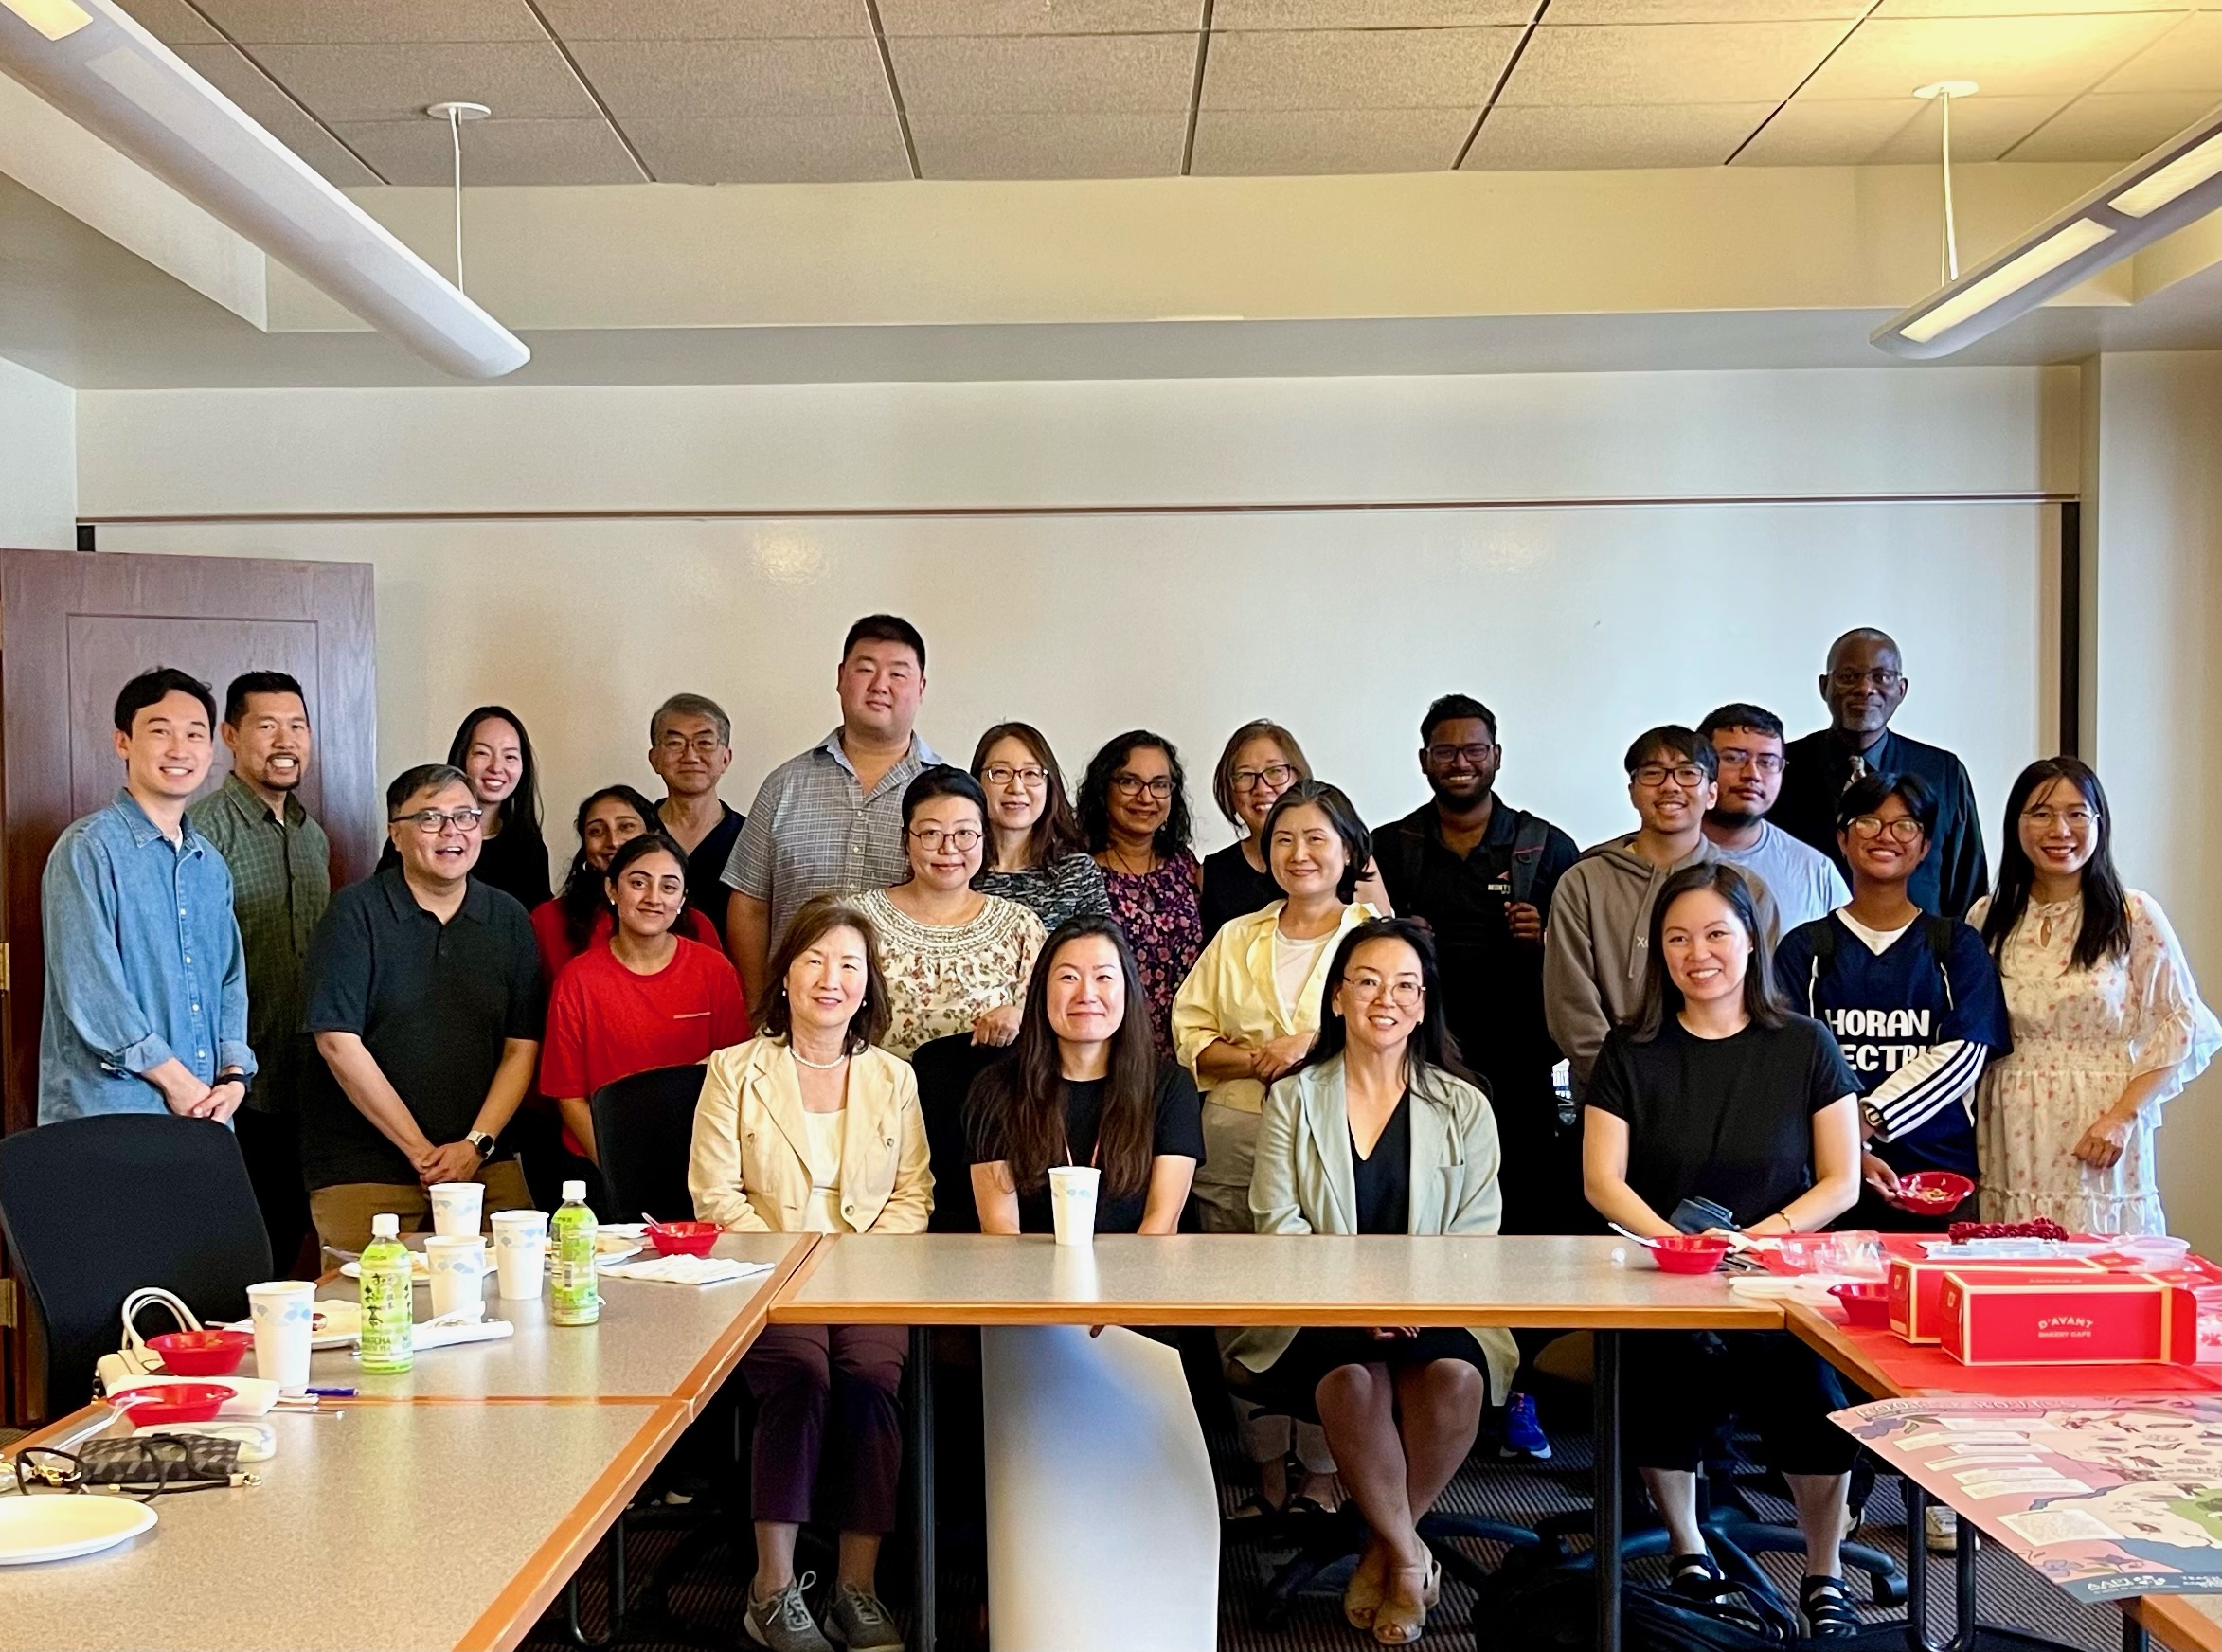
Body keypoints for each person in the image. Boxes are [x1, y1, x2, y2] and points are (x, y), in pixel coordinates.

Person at [1581, 864, 1865, 1638]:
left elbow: (1839, 1181)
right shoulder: (1631, 1048)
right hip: (1664, 1273)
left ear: (1750, 941)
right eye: (1677, 937)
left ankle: (1824, 1566)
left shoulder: (1804, 1043)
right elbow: (1603, 1181)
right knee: (1657, 1382)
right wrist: (1679, 1247)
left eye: (1714, 933)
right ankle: (1687, 1545)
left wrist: (1758, 1239)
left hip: (1774, 1276)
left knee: (1813, 1399)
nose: (1695, 953)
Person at [1236, 917, 1519, 1647]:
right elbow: (1279, 1226)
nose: (1384, 999)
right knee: (1354, 1383)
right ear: (1337, 999)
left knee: (1455, 1376)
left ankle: (1383, 1548)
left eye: (1404, 986)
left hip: (1441, 1303)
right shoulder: (1294, 1100)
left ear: (1424, 1005)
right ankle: (1408, 1554)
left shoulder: (1465, 1105)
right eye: (1366, 982)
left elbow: (1474, 1236)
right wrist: (1359, 1305)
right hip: (1317, 1305)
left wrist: (1411, 1303)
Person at [689, 895, 929, 1652]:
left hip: (868, 1273)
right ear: (785, 974)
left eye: (849, 965)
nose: (832, 979)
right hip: (766, 1273)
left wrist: (850, 1262)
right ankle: (773, 1590)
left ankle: (856, 1588)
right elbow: (715, 1196)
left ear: (867, 985)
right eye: (815, 960)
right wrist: (795, 1259)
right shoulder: (734, 1070)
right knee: (802, 1377)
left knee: (867, 1378)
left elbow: (914, 1192)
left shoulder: (894, 1077)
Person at [1172, 779, 1379, 1518]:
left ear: (1349, 849)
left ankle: (1323, 1469)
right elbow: (1188, 1034)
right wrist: (1258, 1058)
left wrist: (1313, 1044)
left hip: (1338, 1140)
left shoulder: (1373, 937)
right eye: (1284, 839)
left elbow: (1400, 1034)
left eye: (1317, 838)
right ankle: (1264, 1466)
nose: (1299, 853)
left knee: (1323, 1296)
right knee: (1240, 1299)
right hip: (1235, 1133)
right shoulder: (1237, 936)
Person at [1972, 758, 2219, 1236]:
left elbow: (2183, 1022)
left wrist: (2123, 1116)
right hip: (2011, 1123)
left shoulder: (2134, 914)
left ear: (2099, 823)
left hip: (2099, 1119)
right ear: (2016, 825)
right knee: (2016, 1267)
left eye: (2077, 813)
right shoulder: (1988, 916)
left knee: (2102, 1264)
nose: (2059, 829)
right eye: (2040, 813)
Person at [301, 763, 540, 1253]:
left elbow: (522, 1047)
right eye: (430, 818)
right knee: (373, 1312)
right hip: (366, 1167)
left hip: (484, 1163)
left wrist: (475, 1146)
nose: (451, 832)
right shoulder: (356, 913)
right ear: (396, 834)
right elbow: (338, 1043)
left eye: (466, 817)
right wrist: (422, 1154)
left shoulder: (509, 918)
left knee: (517, 1302)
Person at [1373, 693, 1581, 1237]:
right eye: (1445, 752)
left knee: (1526, 1201)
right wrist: (1399, 940)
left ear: (1497, 755)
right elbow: (1357, 949)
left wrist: (1546, 938)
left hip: (1521, 1064)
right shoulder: (1391, 848)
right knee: (1422, 1194)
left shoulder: (1546, 847)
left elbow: (1582, 958)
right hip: (1417, 1057)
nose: (1460, 763)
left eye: (1474, 750)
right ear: (1424, 760)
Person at [1774, 773, 2012, 1233]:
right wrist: (1852, 1154)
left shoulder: (1956, 944)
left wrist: (1865, 1122)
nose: (1886, 836)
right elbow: (1787, 1064)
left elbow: (1965, 1054)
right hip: (1825, 1182)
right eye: (1868, 822)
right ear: (1842, 839)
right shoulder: (1806, 947)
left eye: (1905, 825)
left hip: (1940, 1178)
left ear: (1924, 847)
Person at [39, 668, 253, 1126]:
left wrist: (233, 1077)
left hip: (205, 1113)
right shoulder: (87, 848)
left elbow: (230, 980)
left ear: (211, 749)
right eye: (160, 732)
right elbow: (91, 990)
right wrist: (177, 1083)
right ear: (123, 743)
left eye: (195, 734)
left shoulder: (209, 864)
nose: (180, 749)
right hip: (111, 1113)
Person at [1544, 726, 1777, 1099]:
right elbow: (1570, 1006)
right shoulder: (1583, 882)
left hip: (1723, 1092)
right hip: (1611, 1095)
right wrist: (1625, 1086)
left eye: (1688, 773)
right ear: (1633, 791)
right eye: (1652, 773)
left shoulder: (1747, 889)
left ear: (1712, 792)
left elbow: (1762, 995)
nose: (1670, 786)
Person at [188, 671, 331, 1272]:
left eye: (296, 726)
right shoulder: (202, 831)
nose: (285, 740)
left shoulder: (312, 835)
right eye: (267, 725)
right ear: (230, 735)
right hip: (235, 1086)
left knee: (298, 1247)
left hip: (314, 1084)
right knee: (237, 1256)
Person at [724, 615, 939, 1014]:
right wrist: (758, 1004)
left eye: (898, 673)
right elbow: (750, 904)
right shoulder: (784, 785)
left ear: (921, 688)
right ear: (841, 678)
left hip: (909, 1019)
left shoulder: (948, 797)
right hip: (793, 1018)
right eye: (866, 669)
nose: (880, 685)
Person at [968, 915, 1204, 1235]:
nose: (1086, 994)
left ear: (1127, 990)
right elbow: (999, 1227)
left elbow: (1161, 1224)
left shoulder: (1170, 1088)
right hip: (1026, 1277)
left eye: (1103, 977)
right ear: (1041, 992)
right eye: (1068, 977)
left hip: (1138, 1275)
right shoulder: (996, 1088)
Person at [541, 833, 748, 1171]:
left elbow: (735, 1073)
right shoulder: (577, 979)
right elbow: (568, 1095)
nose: (653, 898)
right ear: (611, 890)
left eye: (668, 887)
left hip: (700, 1163)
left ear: (682, 899)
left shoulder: (714, 971)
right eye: (639, 882)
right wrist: (617, 1170)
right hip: (600, 1165)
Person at [1773, 629, 1988, 918]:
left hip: (1919, 955)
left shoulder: (1942, 773)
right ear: (1825, 686)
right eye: (1849, 676)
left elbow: (1967, 888)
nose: (1865, 688)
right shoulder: (1781, 769)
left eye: (1881, 677)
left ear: (1901, 689)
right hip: (1805, 952)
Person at [854, 766, 1046, 1061]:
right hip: (877, 1098)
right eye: (931, 833)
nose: (949, 848)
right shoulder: (857, 920)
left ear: (984, 838)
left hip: (983, 1102)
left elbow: (1049, 1030)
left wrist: (1019, 1018)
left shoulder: (1020, 927)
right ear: (906, 840)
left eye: (964, 833)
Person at [1079, 730, 1204, 1056]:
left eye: (1160, 784)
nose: (1146, 797)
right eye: (1130, 782)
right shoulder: (1078, 873)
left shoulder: (1187, 866)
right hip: (1108, 1052)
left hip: (1187, 1052)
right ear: (1103, 788)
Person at [530, 783, 725, 985]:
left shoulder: (695, 924)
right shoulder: (548, 920)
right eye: (596, 831)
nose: (613, 841)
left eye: (626, 827)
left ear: (653, 835)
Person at [1698, 703, 1849, 932]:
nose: (1752, 774)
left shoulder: (1815, 871)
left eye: (1767, 762)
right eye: (1734, 758)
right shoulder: (1655, 857)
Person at [971, 721, 1110, 931]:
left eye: (1031, 774)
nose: (1016, 788)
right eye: (1000, 772)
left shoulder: (1077, 873)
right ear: (976, 783)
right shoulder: (955, 867)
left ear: (1049, 786)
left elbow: (1100, 955)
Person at [1200, 720, 1309, 944]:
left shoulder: (1344, 859)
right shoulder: (1211, 874)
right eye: (1245, 775)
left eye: (1275, 771)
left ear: (1299, 777)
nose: (1261, 788)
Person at [648, 692, 746, 939]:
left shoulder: (750, 837)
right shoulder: (635, 831)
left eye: (704, 743)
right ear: (655, 759)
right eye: (675, 743)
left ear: (726, 758)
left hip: (728, 973)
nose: (690, 756)